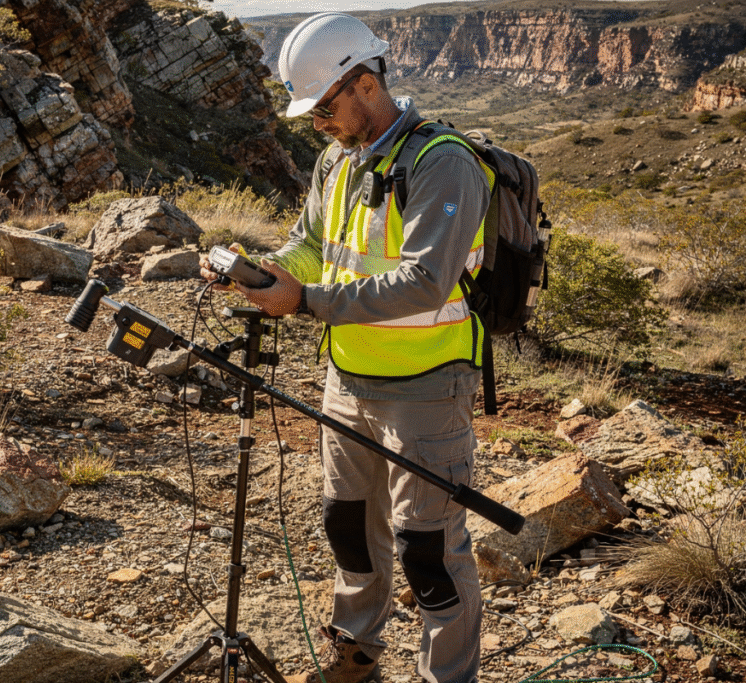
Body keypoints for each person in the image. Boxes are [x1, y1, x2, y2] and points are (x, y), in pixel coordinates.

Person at [199, 12, 491, 683]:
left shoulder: (442, 162)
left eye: (323, 106)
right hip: (347, 378)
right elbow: (314, 246)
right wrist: (266, 267)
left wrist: (306, 301)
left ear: (365, 84)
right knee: (351, 531)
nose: (315, 123)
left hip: (427, 389)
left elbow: (425, 280)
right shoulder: (337, 160)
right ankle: (356, 660)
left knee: (429, 552)